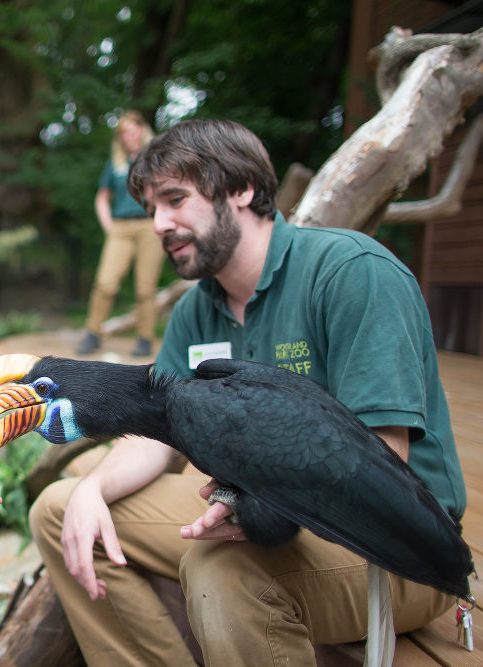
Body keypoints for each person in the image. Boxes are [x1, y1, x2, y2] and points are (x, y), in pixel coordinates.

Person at [29, 119, 464, 666]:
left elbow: (381, 458)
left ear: (242, 189)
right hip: (261, 505)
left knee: (223, 572)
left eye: (175, 200)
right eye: (150, 209)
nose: (160, 223)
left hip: (389, 539)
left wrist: (250, 505)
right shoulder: (195, 308)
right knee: (59, 507)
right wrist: (92, 488)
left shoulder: (352, 273)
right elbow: (154, 433)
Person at [77, 110, 165, 357]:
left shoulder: (156, 159)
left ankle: (145, 338)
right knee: (105, 282)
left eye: (131, 130)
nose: (127, 136)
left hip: (150, 226)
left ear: (142, 129)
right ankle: (93, 333)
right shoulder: (116, 164)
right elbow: (102, 198)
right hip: (121, 228)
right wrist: (109, 226)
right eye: (122, 133)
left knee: (146, 288)